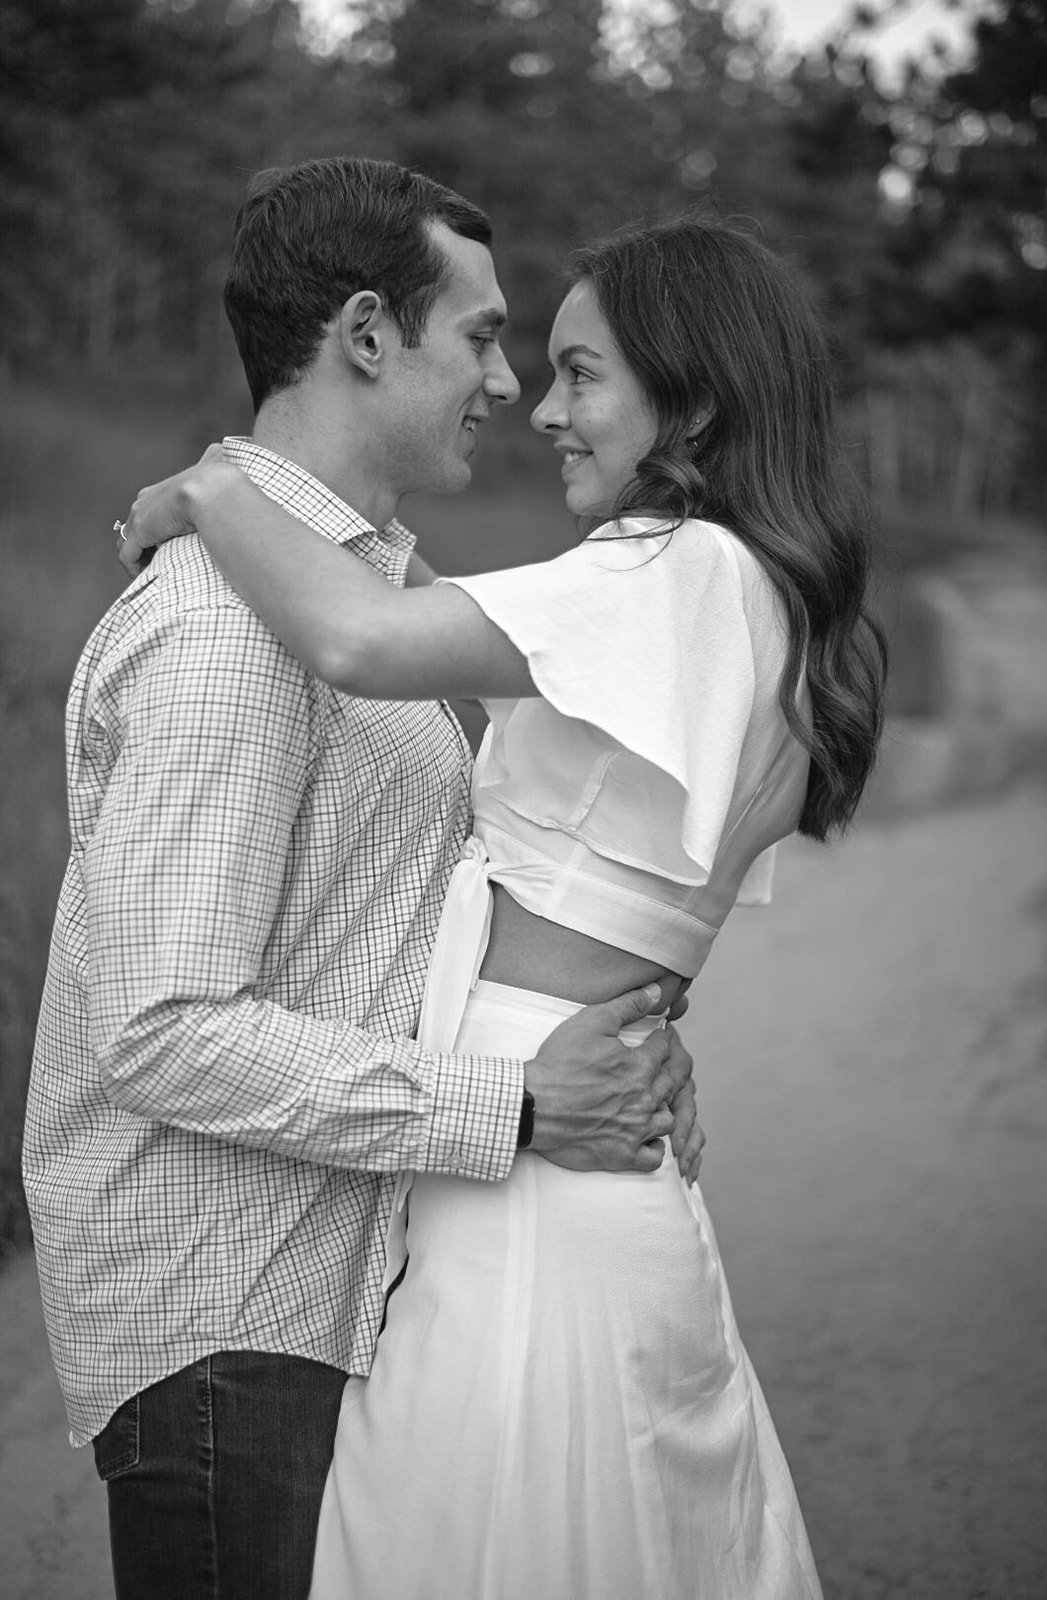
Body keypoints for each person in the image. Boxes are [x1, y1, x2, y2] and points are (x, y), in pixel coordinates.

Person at [121, 211, 887, 1597]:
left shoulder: (676, 574)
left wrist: (210, 497)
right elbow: (538, 747)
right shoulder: (728, 593)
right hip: (565, 1134)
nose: (544, 408)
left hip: (529, 1176)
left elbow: (356, 641)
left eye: (583, 374)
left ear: (695, 396)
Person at [23, 157, 703, 1600]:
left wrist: (581, 1036)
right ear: (367, 335)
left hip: (329, 1304)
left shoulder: (362, 597)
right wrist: (514, 1104)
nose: (508, 383)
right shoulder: (226, 632)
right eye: (481, 336)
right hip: (230, 1335)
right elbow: (159, 1028)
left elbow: (399, 923)